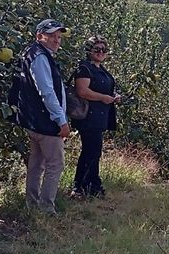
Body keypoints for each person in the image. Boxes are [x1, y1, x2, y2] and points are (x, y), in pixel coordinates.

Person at [12, 18, 70, 215]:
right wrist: (61, 121)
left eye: (59, 36)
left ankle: (32, 205)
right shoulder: (39, 57)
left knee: (36, 164)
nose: (57, 40)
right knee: (55, 164)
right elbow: (46, 91)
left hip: (34, 121)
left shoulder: (34, 53)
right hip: (45, 123)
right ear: (39, 36)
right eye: (52, 36)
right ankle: (46, 208)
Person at [70, 35, 120, 198]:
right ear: (89, 50)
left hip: (100, 117)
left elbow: (104, 89)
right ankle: (82, 186)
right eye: (97, 49)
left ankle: (89, 185)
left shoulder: (100, 69)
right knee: (90, 151)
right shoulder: (84, 68)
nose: (100, 52)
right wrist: (103, 98)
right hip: (88, 116)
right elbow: (82, 91)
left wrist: (113, 96)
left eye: (103, 50)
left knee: (94, 151)